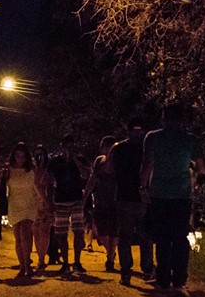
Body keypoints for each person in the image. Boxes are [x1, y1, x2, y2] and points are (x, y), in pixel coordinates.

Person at [140, 103, 205, 297]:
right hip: (182, 195)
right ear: (182, 120)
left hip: (159, 194)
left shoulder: (153, 138)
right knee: (180, 237)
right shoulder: (190, 140)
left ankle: (162, 278)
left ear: (163, 118)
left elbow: (147, 165)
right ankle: (179, 278)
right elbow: (202, 169)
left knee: (162, 238)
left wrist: (143, 187)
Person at [108, 117, 152, 286]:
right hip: (139, 198)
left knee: (126, 236)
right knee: (143, 235)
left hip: (126, 197)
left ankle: (127, 272)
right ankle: (146, 269)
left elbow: (108, 169)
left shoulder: (118, 148)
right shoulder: (145, 148)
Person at [47, 134, 91, 274]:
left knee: (78, 231)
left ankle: (77, 262)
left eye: (71, 146)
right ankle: (66, 263)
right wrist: (50, 200)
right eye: (66, 146)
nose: (69, 149)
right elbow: (49, 181)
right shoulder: (55, 162)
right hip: (60, 200)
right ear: (62, 146)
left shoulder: (80, 160)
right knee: (61, 233)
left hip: (76, 199)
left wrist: (76, 162)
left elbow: (86, 175)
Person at [2, 142, 43, 278]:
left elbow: (37, 187)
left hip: (29, 205)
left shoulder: (31, 170)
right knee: (18, 237)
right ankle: (22, 265)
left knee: (25, 233)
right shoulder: (8, 170)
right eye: (18, 156)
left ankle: (27, 266)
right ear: (13, 157)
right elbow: (2, 187)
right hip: (14, 205)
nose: (20, 159)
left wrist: (46, 202)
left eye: (23, 157)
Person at [84, 135, 119, 272]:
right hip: (101, 201)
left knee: (114, 232)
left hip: (115, 201)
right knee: (102, 233)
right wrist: (86, 194)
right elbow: (93, 179)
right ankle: (110, 252)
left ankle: (110, 260)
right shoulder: (99, 162)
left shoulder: (120, 164)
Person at [32, 144, 55, 274]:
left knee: (44, 231)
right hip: (34, 203)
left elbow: (51, 185)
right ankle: (40, 257)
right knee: (36, 230)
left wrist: (49, 201)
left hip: (45, 202)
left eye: (41, 154)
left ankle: (41, 258)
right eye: (37, 154)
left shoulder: (48, 170)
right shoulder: (31, 170)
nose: (39, 157)